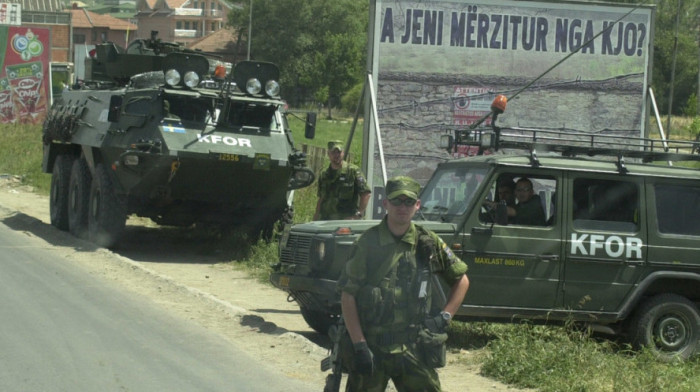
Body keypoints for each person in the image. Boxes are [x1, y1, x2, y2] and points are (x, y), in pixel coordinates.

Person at [338, 176, 470, 392]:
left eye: (409, 202)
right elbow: (347, 295)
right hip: (374, 347)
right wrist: (359, 345)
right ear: (385, 204)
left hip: (413, 347)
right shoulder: (366, 244)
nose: (402, 207)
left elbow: (462, 280)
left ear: (417, 205)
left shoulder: (427, 241)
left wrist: (445, 317)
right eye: (396, 201)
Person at [313, 140, 371, 220]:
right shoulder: (324, 174)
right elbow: (321, 198)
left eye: (339, 152)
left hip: (346, 221)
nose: (336, 155)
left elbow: (366, 194)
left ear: (343, 153)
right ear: (328, 154)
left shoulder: (352, 171)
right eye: (333, 153)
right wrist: (316, 216)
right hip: (325, 221)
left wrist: (358, 214)